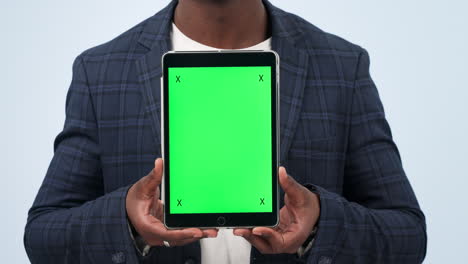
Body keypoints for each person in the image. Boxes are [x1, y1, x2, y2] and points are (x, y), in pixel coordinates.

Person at [24, 0, 427, 263]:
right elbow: (42, 236)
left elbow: (408, 235)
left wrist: (319, 222)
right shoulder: (101, 71)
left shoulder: (342, 67)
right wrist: (126, 220)